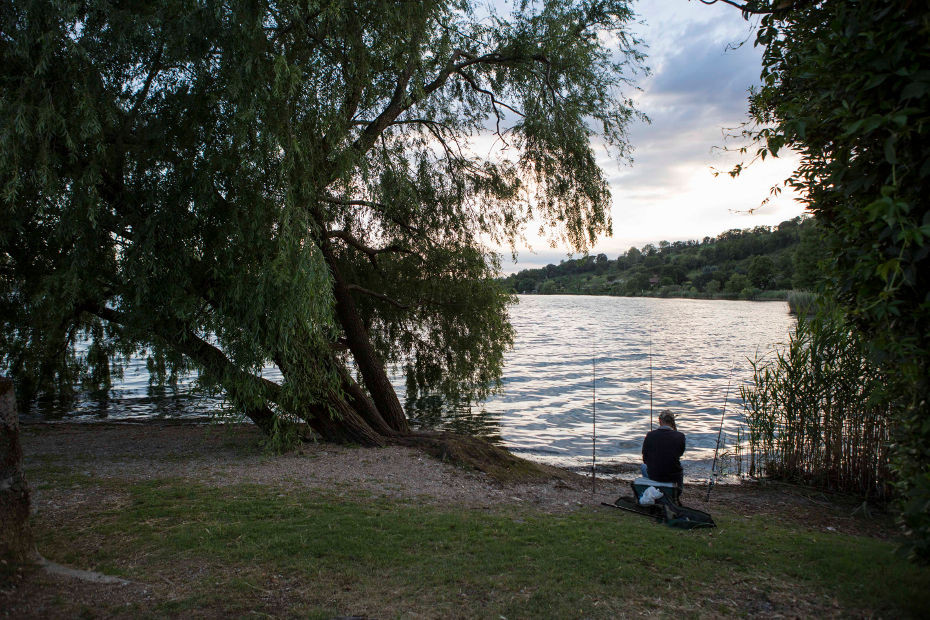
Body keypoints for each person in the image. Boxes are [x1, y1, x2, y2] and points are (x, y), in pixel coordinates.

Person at [640, 410, 685, 489]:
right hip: (673, 477)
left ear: (660, 421)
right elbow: (679, 453)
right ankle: (677, 489)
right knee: (679, 466)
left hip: (654, 475)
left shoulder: (650, 435)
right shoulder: (680, 436)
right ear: (673, 422)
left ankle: (652, 486)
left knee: (643, 466)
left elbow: (645, 459)